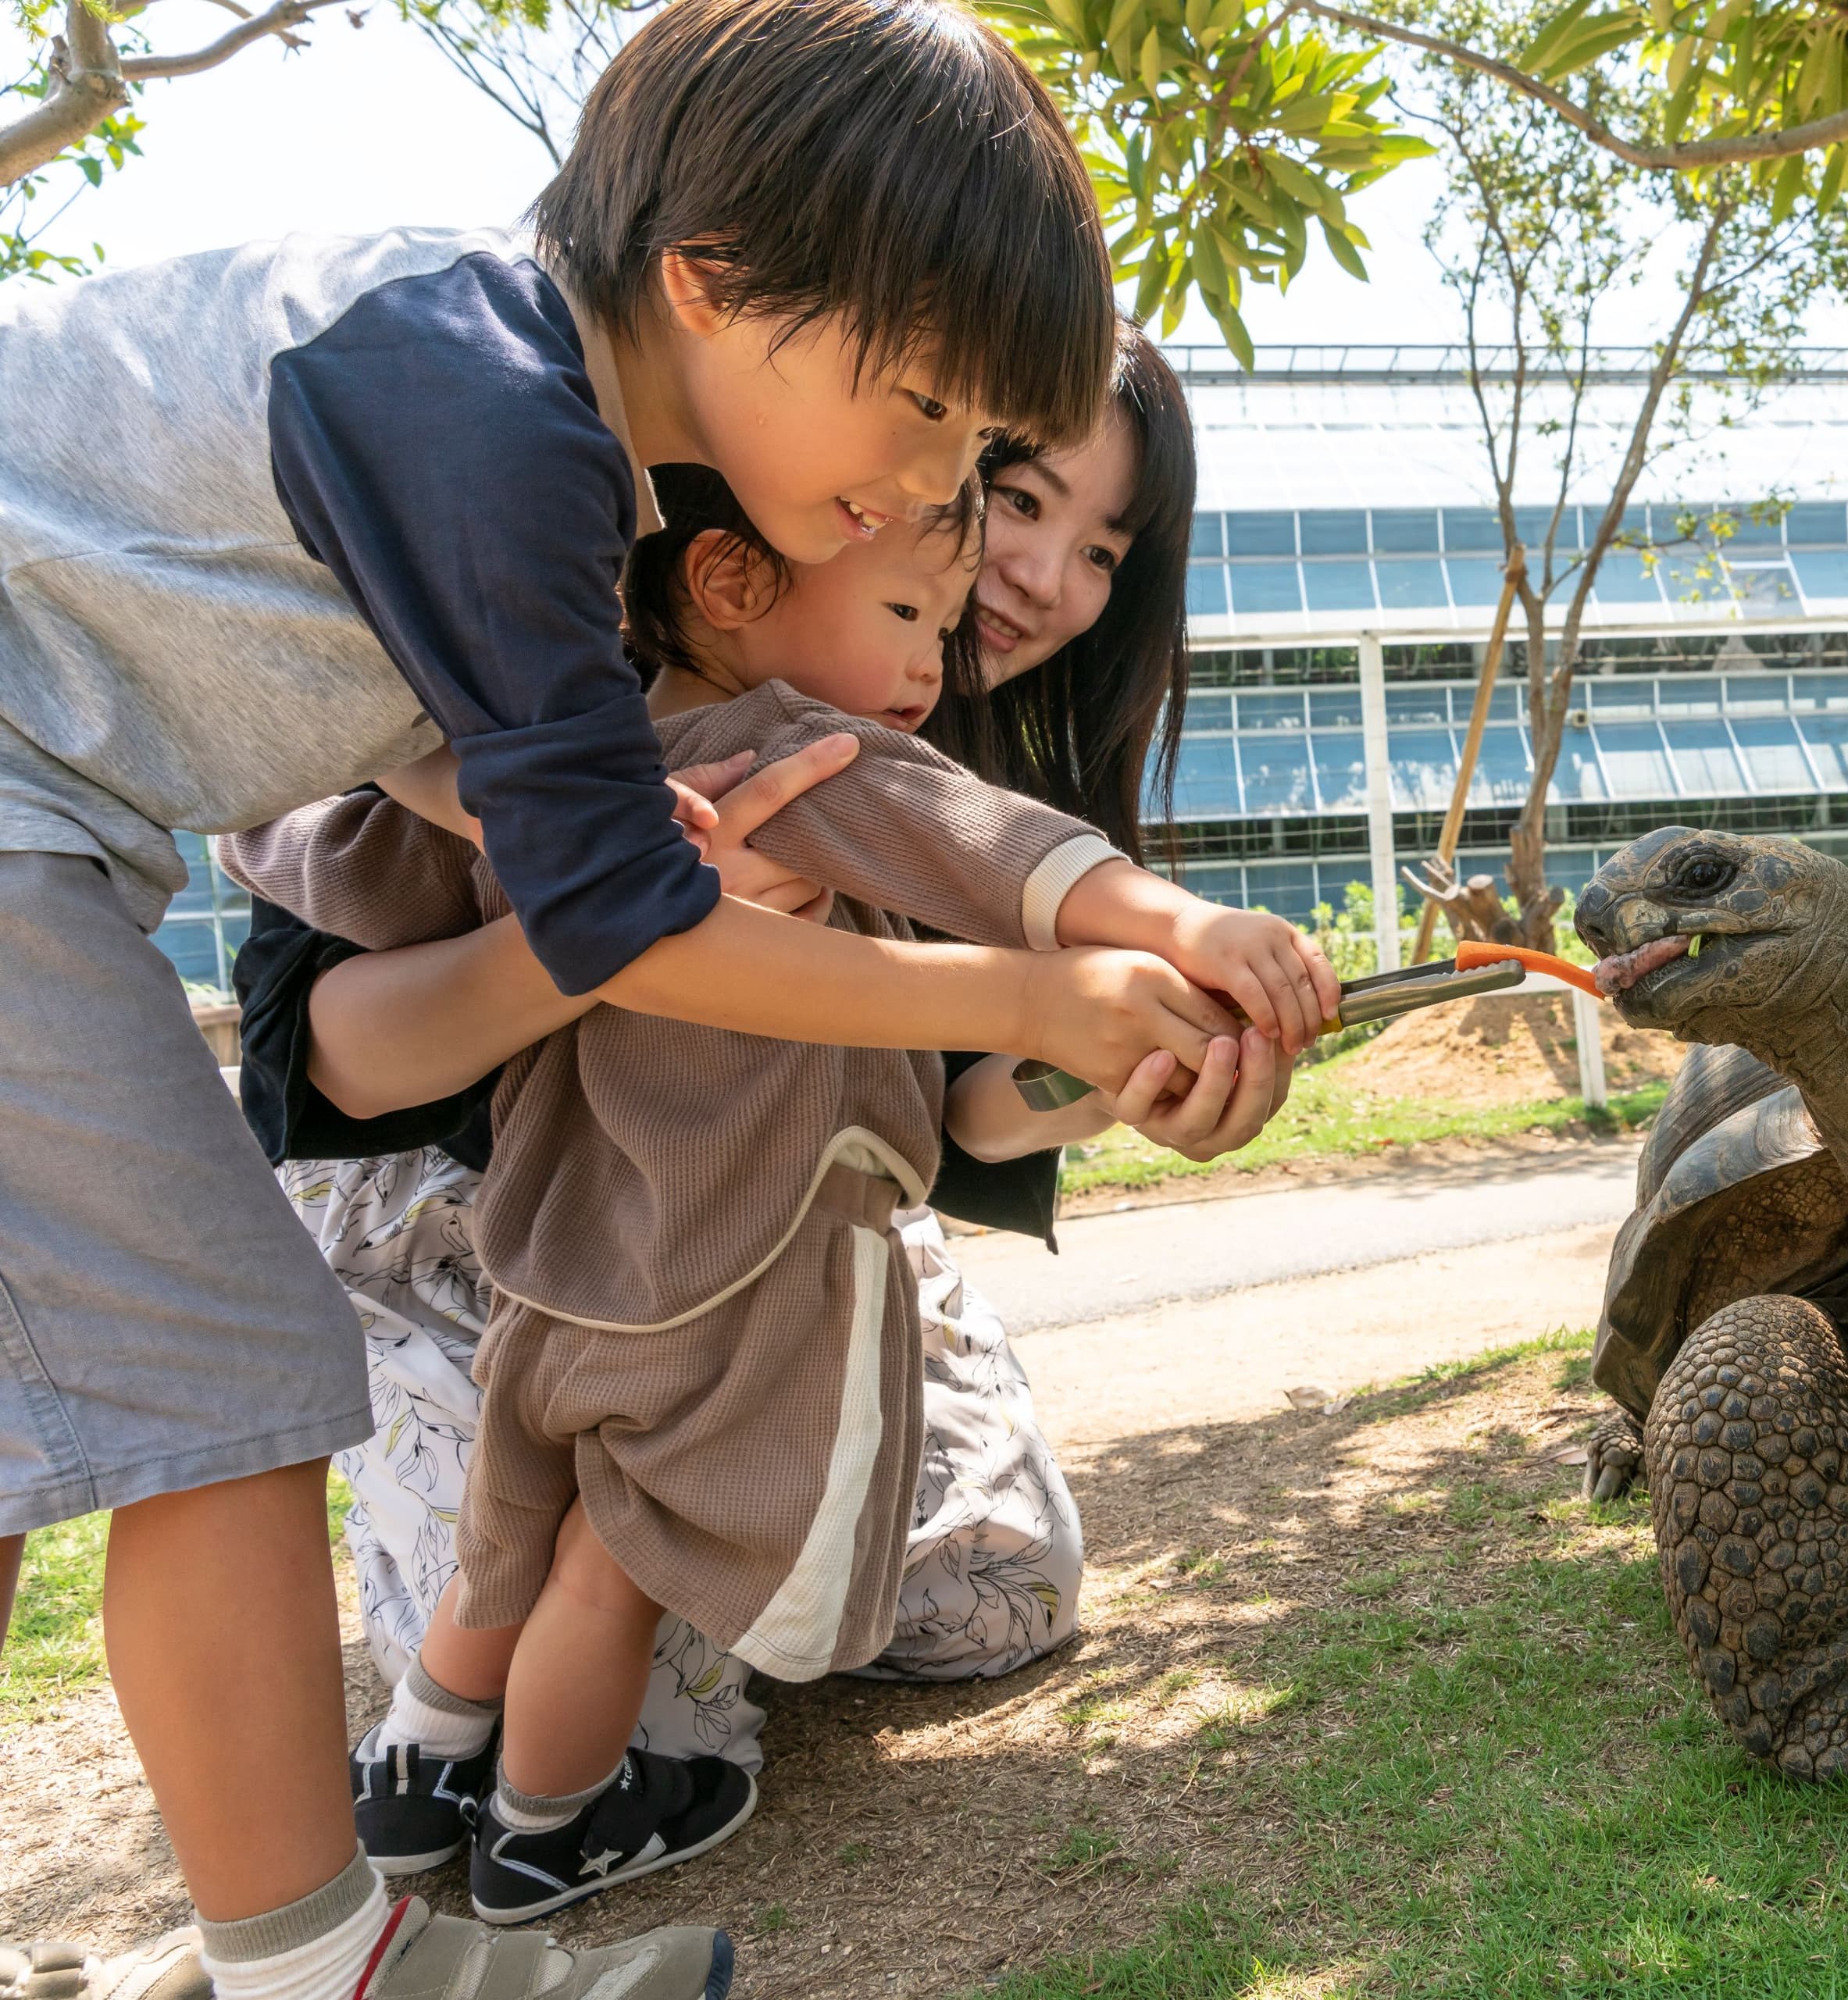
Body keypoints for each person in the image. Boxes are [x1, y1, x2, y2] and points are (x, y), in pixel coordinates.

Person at [0, 1, 1211, 1991]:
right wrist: (1044, 985)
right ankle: (330, 1969)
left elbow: (431, 754)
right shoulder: (495, 408)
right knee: (225, 1389)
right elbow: (622, 926)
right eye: (919, 415)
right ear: (715, 288)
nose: (931, 487)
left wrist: (620, 831)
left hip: (57, 837)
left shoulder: (497, 407)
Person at [219, 350, 1312, 1927]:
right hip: (473, 1214)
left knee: (968, 1589)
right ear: (826, 490)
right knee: (606, 1586)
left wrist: (1124, 1055)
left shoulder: (871, 698)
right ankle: (545, 1824)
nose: (1036, 579)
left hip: (701, 1229)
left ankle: (444, 1781)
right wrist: (621, 904)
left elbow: (959, 1100)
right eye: (1007, 502)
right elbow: (323, 1020)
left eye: (1100, 553)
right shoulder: (637, 710)